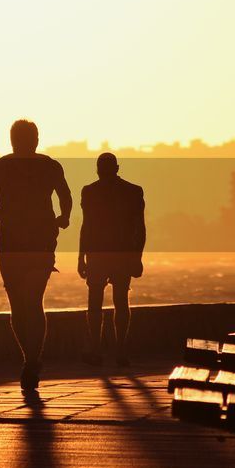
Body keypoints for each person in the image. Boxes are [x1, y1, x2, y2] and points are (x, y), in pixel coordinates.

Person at [0, 120, 72, 396]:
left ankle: (30, 359)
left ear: (12, 140)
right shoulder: (49, 165)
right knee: (31, 302)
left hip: (14, 243)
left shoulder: (2, 166)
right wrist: (63, 218)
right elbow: (66, 197)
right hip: (39, 241)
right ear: (36, 139)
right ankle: (32, 359)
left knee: (21, 304)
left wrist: (3, 220)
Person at [77, 152, 145, 368]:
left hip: (99, 253)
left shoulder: (90, 192)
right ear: (117, 168)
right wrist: (137, 256)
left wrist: (81, 257)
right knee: (120, 301)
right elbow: (140, 229)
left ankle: (98, 349)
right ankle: (119, 350)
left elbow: (86, 227)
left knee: (96, 301)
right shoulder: (132, 191)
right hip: (120, 253)